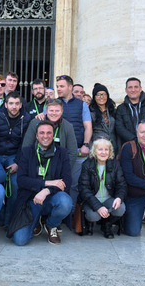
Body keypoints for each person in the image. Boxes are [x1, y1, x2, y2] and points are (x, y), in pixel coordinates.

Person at [11, 121, 72, 246]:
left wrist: (47, 190)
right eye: (42, 133)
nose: (45, 136)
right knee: (20, 240)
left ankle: (51, 225)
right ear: (37, 136)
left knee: (66, 202)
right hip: (31, 200)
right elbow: (21, 180)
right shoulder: (27, 151)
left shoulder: (62, 153)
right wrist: (47, 183)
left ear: (53, 135)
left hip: (52, 198)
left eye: (49, 133)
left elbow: (67, 181)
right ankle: (36, 220)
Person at [0, 92, 30, 227]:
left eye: (16, 104)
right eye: (11, 103)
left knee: (15, 185)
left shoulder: (27, 119)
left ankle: (10, 219)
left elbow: (25, 143)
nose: (14, 107)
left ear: (20, 105)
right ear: (6, 104)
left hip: (14, 156)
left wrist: (17, 162)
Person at [55, 75, 92, 208]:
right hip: (57, 152)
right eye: (57, 86)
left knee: (74, 184)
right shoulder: (53, 103)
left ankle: (69, 215)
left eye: (61, 86)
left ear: (70, 87)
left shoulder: (81, 104)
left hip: (77, 151)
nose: (58, 89)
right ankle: (59, 212)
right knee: (57, 182)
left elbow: (88, 126)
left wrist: (86, 145)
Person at [78, 137, 126, 238]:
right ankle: (90, 223)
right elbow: (84, 190)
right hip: (92, 200)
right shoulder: (87, 165)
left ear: (110, 151)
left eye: (106, 149)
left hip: (109, 198)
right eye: (100, 149)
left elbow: (121, 185)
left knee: (120, 208)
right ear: (94, 151)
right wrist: (98, 207)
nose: (103, 152)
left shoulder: (115, 164)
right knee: (93, 216)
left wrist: (119, 197)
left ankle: (106, 224)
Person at [22, 98, 78, 167]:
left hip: (59, 166)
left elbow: (73, 152)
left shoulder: (68, 127)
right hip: (37, 164)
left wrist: (64, 169)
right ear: (46, 111)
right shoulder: (35, 123)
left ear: (62, 111)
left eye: (57, 111)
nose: (54, 113)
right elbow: (26, 146)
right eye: (51, 110)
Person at [115, 77, 145, 143]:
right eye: (130, 87)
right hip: (129, 145)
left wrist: (144, 138)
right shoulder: (121, 108)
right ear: (126, 90)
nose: (133, 90)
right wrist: (135, 140)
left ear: (140, 89)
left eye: (136, 87)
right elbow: (120, 128)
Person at [89, 83, 118, 154]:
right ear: (94, 97)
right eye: (98, 94)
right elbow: (88, 132)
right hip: (98, 148)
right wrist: (90, 149)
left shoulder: (113, 111)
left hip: (113, 148)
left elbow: (117, 132)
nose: (101, 97)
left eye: (104, 94)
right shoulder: (90, 112)